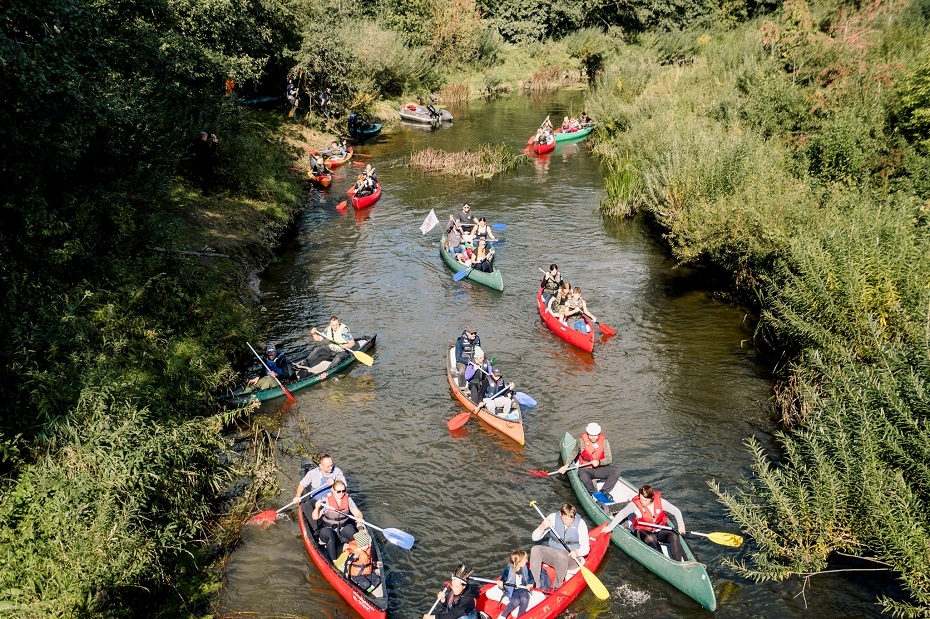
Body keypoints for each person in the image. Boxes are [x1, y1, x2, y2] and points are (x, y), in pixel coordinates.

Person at [606, 484, 687, 562]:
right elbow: (622, 514)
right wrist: (610, 527)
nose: (642, 502)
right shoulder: (635, 504)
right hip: (642, 530)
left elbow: (676, 511)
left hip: (658, 530)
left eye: (645, 500)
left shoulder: (660, 502)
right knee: (651, 538)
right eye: (641, 499)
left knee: (674, 535)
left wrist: (681, 525)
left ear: (651, 498)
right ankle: (663, 560)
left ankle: (679, 562)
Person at [529, 504, 590, 591]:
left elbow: (586, 549)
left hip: (572, 559)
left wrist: (577, 552)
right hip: (555, 555)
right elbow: (534, 538)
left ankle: (557, 586)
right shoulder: (553, 518)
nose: (569, 522)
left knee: (561, 555)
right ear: (561, 515)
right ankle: (536, 584)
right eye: (566, 519)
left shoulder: (581, 524)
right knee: (535, 549)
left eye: (571, 519)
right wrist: (542, 527)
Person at [559, 422, 621, 498]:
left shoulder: (605, 442)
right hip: (586, 469)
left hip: (599, 468)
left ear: (599, 434)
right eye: (591, 435)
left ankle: (604, 490)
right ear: (587, 434)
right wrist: (566, 465)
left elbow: (609, 459)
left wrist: (599, 462)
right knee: (583, 476)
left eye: (595, 435)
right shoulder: (581, 441)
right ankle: (593, 492)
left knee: (616, 471)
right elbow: (574, 453)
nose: (593, 437)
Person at [311, 479, 364, 561]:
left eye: (343, 491)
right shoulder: (325, 500)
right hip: (327, 528)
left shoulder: (348, 499)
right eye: (338, 491)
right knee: (330, 536)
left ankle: (362, 553)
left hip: (342, 527)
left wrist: (359, 517)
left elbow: (357, 513)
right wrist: (317, 508)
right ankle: (333, 561)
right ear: (333, 490)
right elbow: (315, 517)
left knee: (353, 533)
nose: (341, 493)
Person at [496, 549, 534, 618]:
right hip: (513, 591)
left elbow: (531, 578)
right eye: (525, 559)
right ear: (518, 562)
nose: (527, 561)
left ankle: (520, 616)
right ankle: (503, 615)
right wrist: (501, 586)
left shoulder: (525, 568)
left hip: (523, 589)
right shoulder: (508, 569)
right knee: (515, 601)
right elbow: (503, 581)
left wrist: (530, 584)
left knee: (525, 599)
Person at [192, 131, 219, 196]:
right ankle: (205, 192)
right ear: (204, 137)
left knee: (204, 176)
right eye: (206, 137)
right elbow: (211, 152)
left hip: (199, 162)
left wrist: (210, 135)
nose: (207, 138)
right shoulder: (204, 145)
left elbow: (201, 136)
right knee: (208, 177)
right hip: (206, 163)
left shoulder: (197, 141)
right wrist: (215, 143)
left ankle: (204, 190)